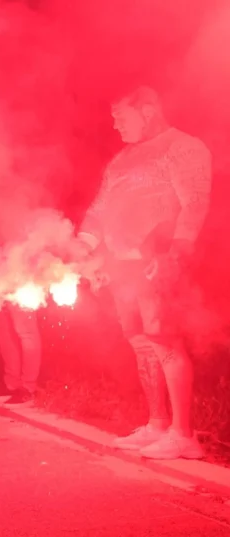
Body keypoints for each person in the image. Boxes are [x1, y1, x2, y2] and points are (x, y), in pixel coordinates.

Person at [78, 86, 211, 460]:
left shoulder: (182, 147)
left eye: (121, 115)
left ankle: (183, 435)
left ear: (148, 110)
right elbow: (98, 211)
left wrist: (175, 254)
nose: (115, 123)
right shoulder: (121, 159)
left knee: (164, 339)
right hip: (123, 266)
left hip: (158, 260)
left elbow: (195, 204)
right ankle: (156, 424)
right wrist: (84, 248)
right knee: (139, 340)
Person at [0, 212, 42, 403]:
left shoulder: (16, 208)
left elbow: (33, 247)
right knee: (4, 334)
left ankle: (28, 386)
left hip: (19, 278)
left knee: (26, 332)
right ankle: (11, 384)